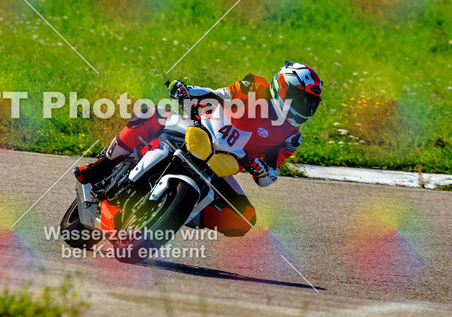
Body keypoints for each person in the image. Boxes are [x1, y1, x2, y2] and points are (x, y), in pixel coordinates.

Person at [74, 61, 322, 237]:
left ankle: (180, 211)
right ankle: (101, 165)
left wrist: (261, 169)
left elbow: (270, 174)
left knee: (244, 218)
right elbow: (219, 94)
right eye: (302, 100)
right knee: (153, 114)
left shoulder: (291, 137)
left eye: (311, 104)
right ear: (283, 88)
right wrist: (187, 91)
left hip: (220, 166)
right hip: (200, 132)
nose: (306, 108)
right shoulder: (255, 87)